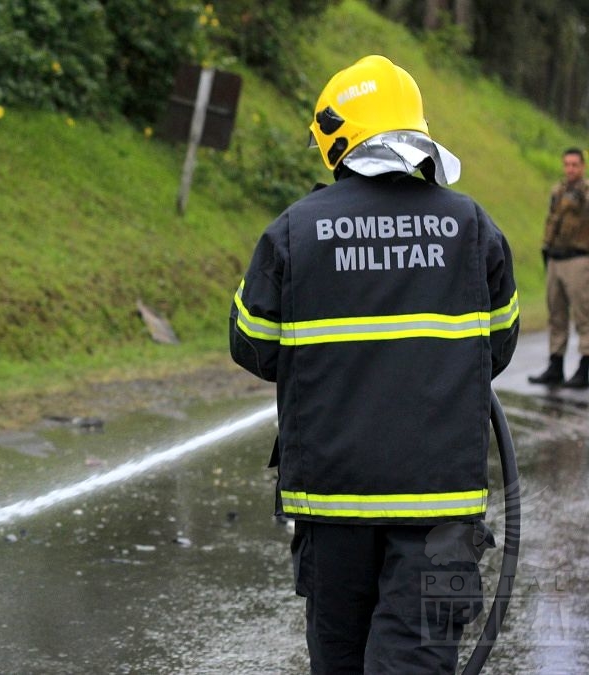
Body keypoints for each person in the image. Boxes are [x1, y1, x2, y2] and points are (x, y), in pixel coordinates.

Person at [229, 55, 520, 673]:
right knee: (420, 659)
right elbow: (495, 347)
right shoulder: (472, 227)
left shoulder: (294, 231)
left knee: (339, 660)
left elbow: (252, 343)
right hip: (443, 516)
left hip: (332, 508)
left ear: (337, 137)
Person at [527, 148, 589, 388]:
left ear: (582, 166)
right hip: (556, 258)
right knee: (556, 314)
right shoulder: (558, 191)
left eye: (574, 165)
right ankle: (556, 364)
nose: (570, 169)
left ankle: (585, 366)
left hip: (579, 260)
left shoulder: (585, 193)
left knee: (583, 315)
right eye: (567, 164)